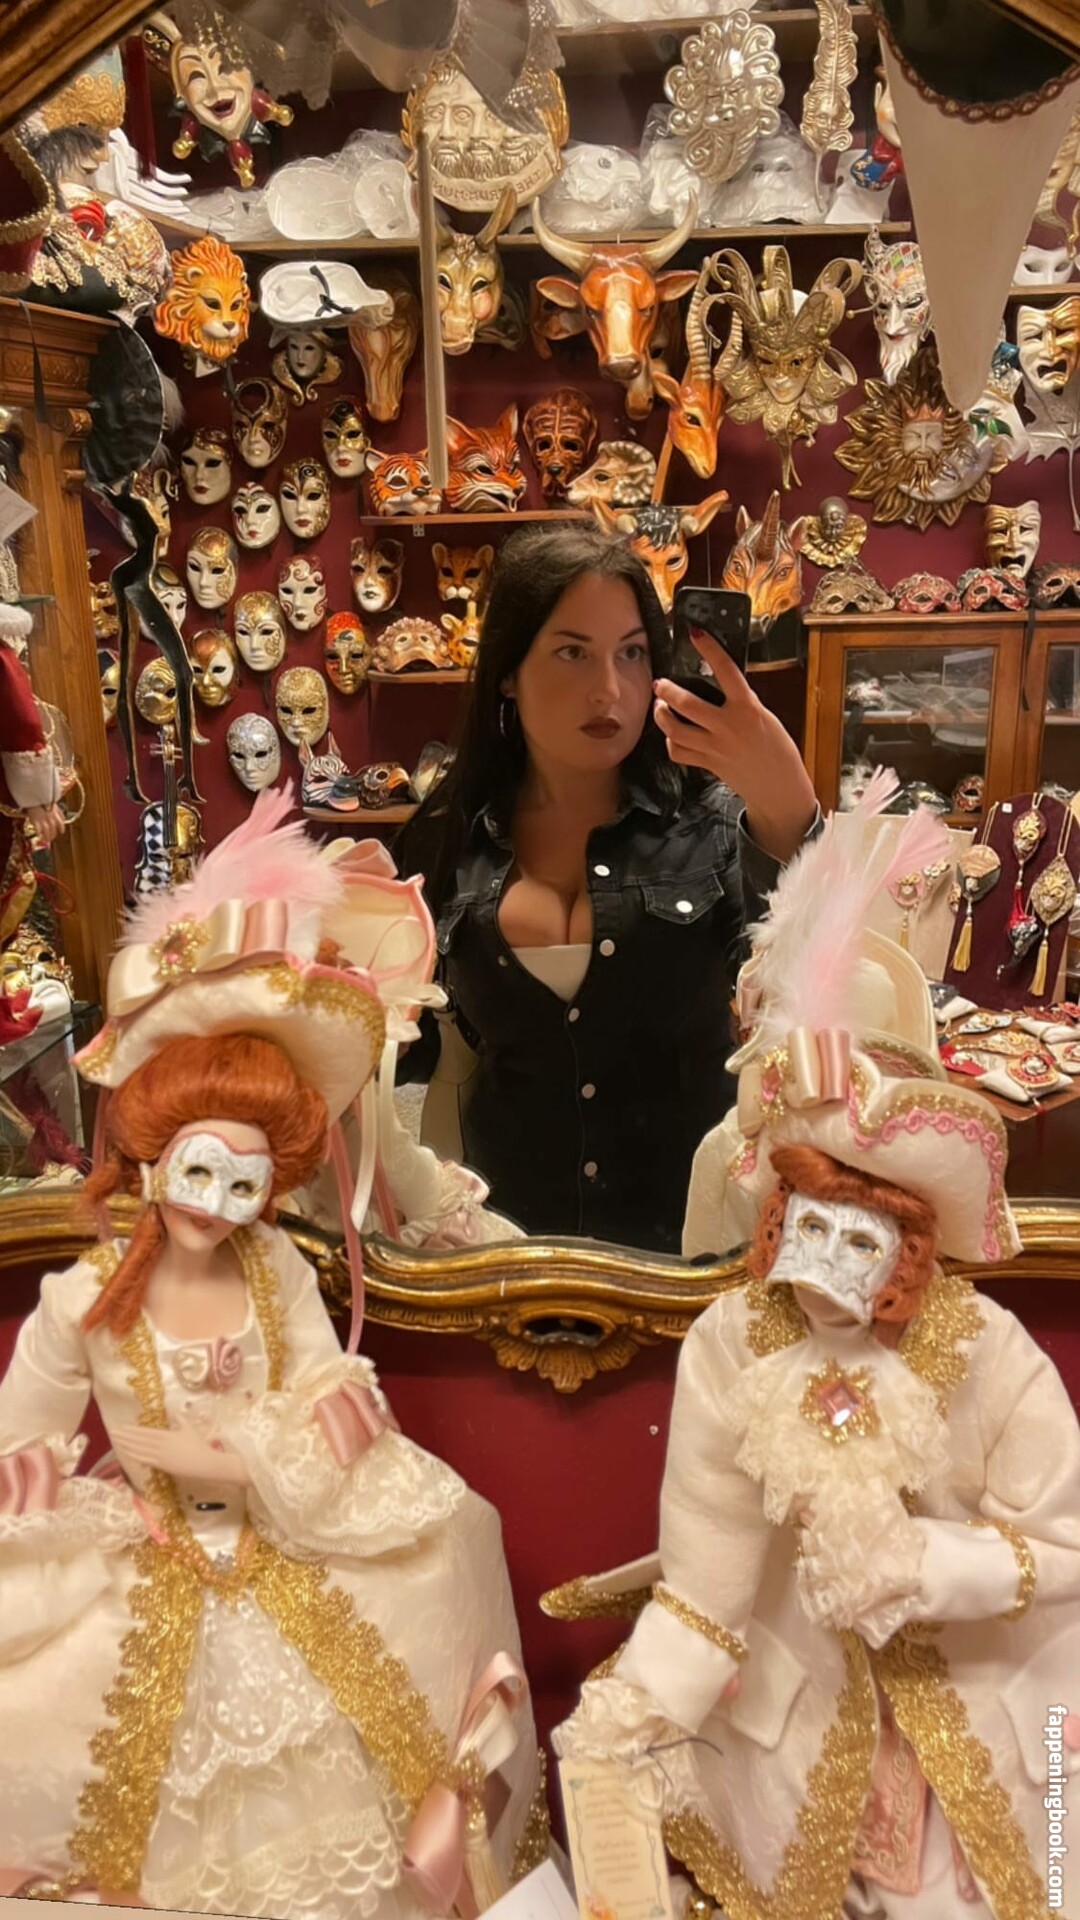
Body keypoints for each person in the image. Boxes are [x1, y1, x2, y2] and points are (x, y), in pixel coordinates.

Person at [0, 790, 542, 1917]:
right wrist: (67, 1490)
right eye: (197, 1170)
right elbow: (23, 1440)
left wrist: (246, 1457)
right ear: (152, 1155)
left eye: (245, 1183)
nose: (216, 1202)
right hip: (152, 1552)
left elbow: (329, 1388)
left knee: (437, 1566)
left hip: (281, 1535)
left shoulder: (275, 1269)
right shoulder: (87, 1298)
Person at [552, 790, 1080, 1919]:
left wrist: (927, 1563)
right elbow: (706, 1578)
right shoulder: (733, 1343)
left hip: (989, 1700)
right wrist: (640, 1705)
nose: (830, 1266)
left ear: (912, 1240)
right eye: (809, 1227)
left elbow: (1062, 1542)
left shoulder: (985, 1348)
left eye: (864, 1237)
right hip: (798, 1721)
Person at [395, 524, 817, 1252]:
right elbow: (411, 1051)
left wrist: (791, 813)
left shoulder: (713, 827)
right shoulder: (449, 840)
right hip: (511, 1248)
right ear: (506, 670)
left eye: (632, 653)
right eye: (572, 652)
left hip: (690, 1252)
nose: (609, 690)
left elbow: (809, 1000)